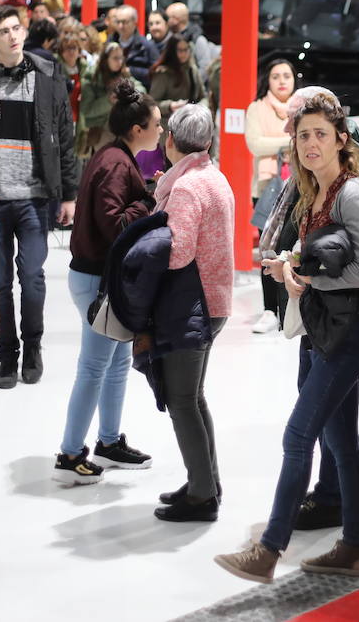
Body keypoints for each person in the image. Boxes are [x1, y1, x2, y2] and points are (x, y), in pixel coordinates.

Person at [215, 89, 359, 583]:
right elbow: (325, 259)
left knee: (298, 436)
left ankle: (269, 551)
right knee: (341, 440)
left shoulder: (351, 193)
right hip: (322, 327)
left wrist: (311, 279)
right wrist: (292, 268)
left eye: (320, 135)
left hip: (348, 334)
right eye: (303, 135)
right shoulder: (315, 190)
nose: (310, 144)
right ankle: (354, 548)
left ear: (340, 140)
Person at [0, 5, 78, 389]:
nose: (12, 35)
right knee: (0, 280)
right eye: (4, 31)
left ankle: (33, 347)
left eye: (16, 28)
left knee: (33, 275)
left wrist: (69, 193)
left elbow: (64, 135)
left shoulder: (47, 74)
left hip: (35, 196)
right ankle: (8, 355)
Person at [54, 83, 160, 482]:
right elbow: (114, 221)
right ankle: (69, 454)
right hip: (97, 280)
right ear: (137, 129)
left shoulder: (115, 157)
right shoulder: (117, 163)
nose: (161, 131)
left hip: (101, 277)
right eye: (157, 124)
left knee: (114, 364)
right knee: (95, 366)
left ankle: (109, 441)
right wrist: (147, 201)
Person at [144, 104, 235, 521]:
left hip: (191, 305)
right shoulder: (214, 178)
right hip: (216, 302)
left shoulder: (184, 189)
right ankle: (205, 481)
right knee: (194, 397)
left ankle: (202, 496)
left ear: (171, 142)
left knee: (182, 401)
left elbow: (177, 254)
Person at [245, 57, 298, 333]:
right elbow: (255, 143)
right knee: (268, 250)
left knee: (294, 249)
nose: (281, 81)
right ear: (267, 80)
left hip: (301, 188)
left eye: (286, 76)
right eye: (276, 76)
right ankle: (269, 309)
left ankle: (291, 308)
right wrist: (290, 141)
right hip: (268, 189)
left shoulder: (301, 107)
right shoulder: (257, 108)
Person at [148, 34, 206, 119]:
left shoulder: (192, 69)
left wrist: (200, 107)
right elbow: (152, 104)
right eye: (179, 50)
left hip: (192, 121)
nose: (183, 54)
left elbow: (203, 96)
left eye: (186, 50)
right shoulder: (163, 73)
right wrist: (170, 105)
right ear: (172, 51)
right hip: (169, 123)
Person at [107, 4, 157, 84]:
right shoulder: (109, 43)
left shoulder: (147, 46)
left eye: (124, 22)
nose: (120, 26)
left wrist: (131, 71)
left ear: (134, 22)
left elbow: (155, 73)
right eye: (118, 22)